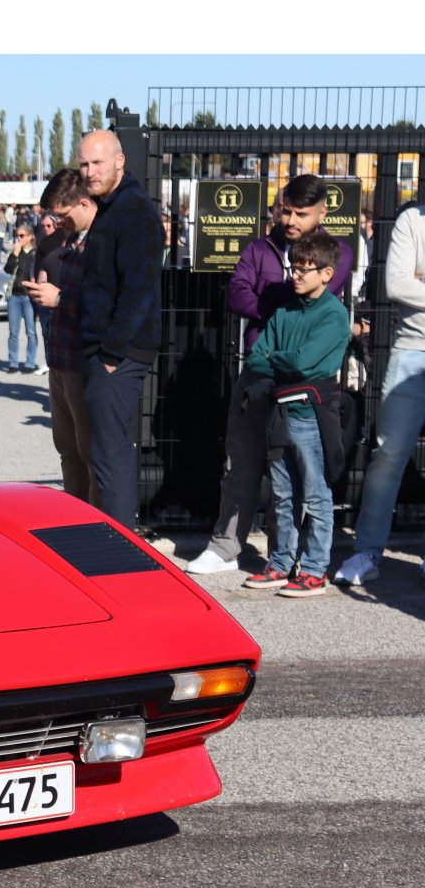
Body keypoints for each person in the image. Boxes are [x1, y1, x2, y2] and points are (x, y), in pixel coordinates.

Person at [184, 174, 356, 574]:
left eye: (300, 213)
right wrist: (277, 299)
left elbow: (316, 298)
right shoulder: (260, 248)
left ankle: (296, 559)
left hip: (305, 385)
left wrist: (269, 295)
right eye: (285, 210)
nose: (290, 219)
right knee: (241, 462)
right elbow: (236, 295)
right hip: (258, 372)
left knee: (301, 475)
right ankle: (226, 546)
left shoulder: (338, 252)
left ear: (322, 213)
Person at [235, 231, 350, 597]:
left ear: (327, 274)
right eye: (293, 268)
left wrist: (276, 359)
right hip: (279, 411)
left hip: (310, 414)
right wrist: (278, 361)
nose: (295, 275)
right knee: (283, 495)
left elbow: (301, 364)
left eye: (304, 269)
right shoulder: (285, 309)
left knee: (316, 495)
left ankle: (315, 570)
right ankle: (281, 563)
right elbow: (256, 356)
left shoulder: (334, 316)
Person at [75, 129, 163, 529]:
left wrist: (111, 354)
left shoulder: (134, 210)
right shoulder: (111, 207)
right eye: (83, 163)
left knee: (111, 454)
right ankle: (113, 538)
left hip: (118, 353)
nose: (89, 171)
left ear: (119, 161)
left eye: (97, 162)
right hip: (105, 349)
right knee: (103, 453)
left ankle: (120, 545)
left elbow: (139, 288)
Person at [335, 200, 425, 587]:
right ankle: (367, 551)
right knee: (387, 453)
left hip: (411, 346)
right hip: (411, 349)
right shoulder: (411, 218)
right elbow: (397, 285)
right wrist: (413, 280)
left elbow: (412, 285)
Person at [25, 169, 101, 507]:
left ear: (83, 202)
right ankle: (76, 515)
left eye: (61, 214)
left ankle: (101, 525)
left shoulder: (103, 242)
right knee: (68, 451)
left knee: (90, 454)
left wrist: (61, 298)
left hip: (83, 363)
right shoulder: (71, 240)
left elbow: (108, 303)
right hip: (59, 359)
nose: (57, 222)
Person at [3, 222, 41, 374]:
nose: (18, 239)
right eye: (17, 235)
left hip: (29, 296)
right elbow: (8, 269)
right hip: (15, 295)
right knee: (13, 332)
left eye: (22, 236)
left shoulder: (36, 254)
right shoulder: (17, 252)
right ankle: (13, 363)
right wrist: (14, 254)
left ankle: (30, 363)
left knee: (31, 331)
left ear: (31, 236)